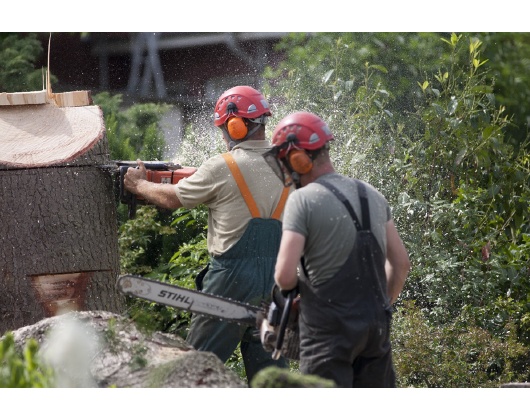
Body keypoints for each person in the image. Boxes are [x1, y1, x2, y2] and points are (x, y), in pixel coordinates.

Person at [123, 86, 292, 383]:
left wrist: (139, 185)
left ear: (234, 125)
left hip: (231, 282)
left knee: (194, 372)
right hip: (278, 283)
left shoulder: (221, 167)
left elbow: (172, 198)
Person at [271, 111, 410, 387]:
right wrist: (380, 305)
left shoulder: (302, 200)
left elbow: (285, 276)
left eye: (286, 161)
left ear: (298, 158)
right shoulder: (372, 194)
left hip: (328, 334)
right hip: (375, 327)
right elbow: (401, 264)